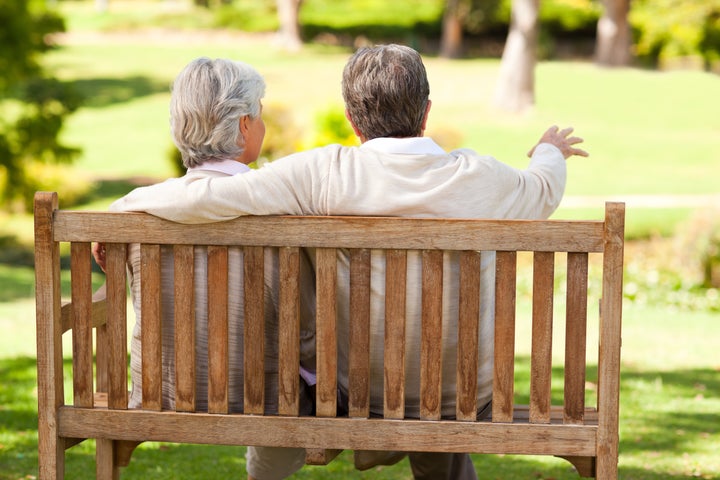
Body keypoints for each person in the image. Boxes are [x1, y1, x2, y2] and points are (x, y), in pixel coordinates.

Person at [109, 44, 588, 479]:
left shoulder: (323, 173)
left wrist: (126, 207)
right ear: (425, 112)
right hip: (464, 398)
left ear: (352, 119)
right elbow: (543, 189)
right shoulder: (481, 178)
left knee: (388, 372)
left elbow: (216, 193)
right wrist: (550, 150)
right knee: (436, 381)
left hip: (357, 395)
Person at [95, 57, 317, 480]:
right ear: (245, 126)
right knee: (290, 375)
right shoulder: (281, 203)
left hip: (159, 394)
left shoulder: (141, 207)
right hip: (269, 397)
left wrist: (114, 216)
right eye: (262, 114)